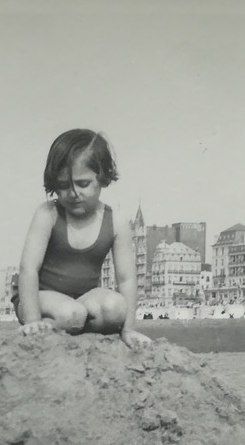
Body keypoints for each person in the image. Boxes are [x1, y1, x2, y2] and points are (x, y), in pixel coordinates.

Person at [14, 129, 149, 348]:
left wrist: (129, 330)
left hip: (83, 301)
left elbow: (127, 279)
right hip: (40, 298)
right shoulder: (48, 214)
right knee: (70, 313)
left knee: (115, 307)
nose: (74, 193)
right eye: (64, 185)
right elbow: (28, 268)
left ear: (103, 178)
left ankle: (69, 331)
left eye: (83, 184)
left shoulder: (115, 221)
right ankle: (51, 325)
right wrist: (32, 320)